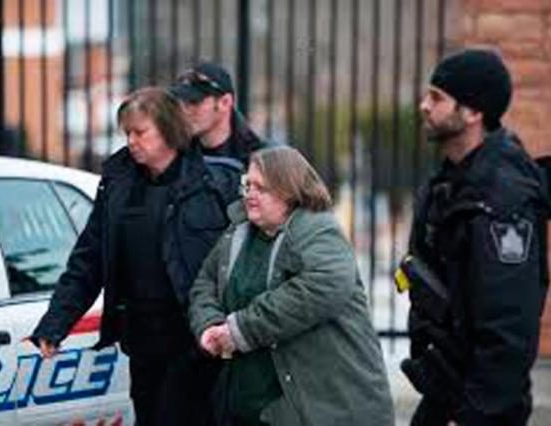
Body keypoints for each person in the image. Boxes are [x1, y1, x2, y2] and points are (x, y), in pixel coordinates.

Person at [31, 87, 241, 425]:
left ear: (169, 131)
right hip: (142, 340)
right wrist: (56, 324)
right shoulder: (118, 185)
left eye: (140, 132)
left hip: (196, 341)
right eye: (127, 132)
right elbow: (88, 259)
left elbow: (242, 259)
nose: (131, 141)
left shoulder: (217, 184)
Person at [401, 49, 551, 425]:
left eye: (437, 98)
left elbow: (509, 324)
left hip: (481, 407)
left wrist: (475, 414)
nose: (424, 106)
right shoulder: (449, 185)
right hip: (446, 392)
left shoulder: (503, 198)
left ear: (473, 112)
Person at [188, 146, 394, 426]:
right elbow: (205, 283)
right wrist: (210, 324)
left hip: (317, 409)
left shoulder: (317, 230)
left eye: (261, 187)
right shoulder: (238, 232)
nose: (250, 194)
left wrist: (241, 330)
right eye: (247, 185)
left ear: (289, 191)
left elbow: (324, 284)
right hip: (247, 407)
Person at [168, 62, 268, 166]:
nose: (185, 110)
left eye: (194, 102)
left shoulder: (257, 160)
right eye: (182, 102)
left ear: (225, 103)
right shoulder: (174, 154)